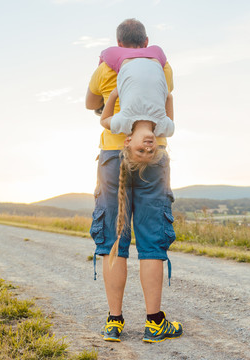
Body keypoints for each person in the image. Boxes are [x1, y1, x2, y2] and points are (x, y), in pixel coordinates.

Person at [85, 18, 182, 343]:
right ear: (146, 41)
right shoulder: (159, 65)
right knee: (152, 240)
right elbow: (167, 95)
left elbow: (89, 104)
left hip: (114, 155)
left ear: (118, 43)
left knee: (115, 238)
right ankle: (155, 323)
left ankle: (114, 321)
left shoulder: (105, 69)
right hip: (153, 155)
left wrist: (109, 98)